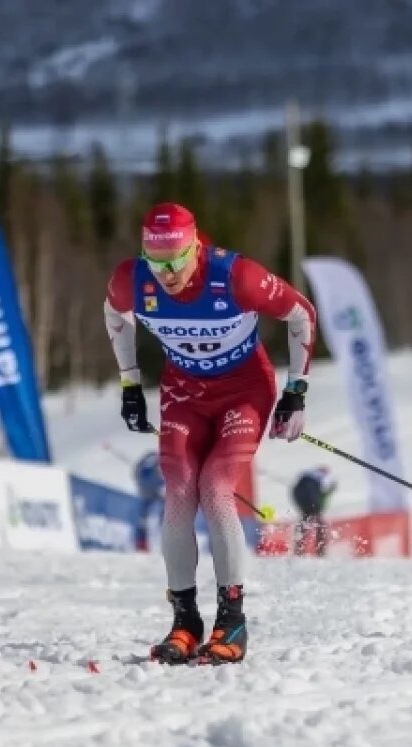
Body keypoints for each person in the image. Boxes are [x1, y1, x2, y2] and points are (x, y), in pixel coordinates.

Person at [104, 202, 317, 665]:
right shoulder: (132, 280)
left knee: (216, 487)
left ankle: (232, 621)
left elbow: (300, 313)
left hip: (244, 391)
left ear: (195, 247)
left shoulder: (234, 276)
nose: (167, 273)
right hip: (184, 391)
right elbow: (115, 316)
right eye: (156, 261)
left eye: (176, 260)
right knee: (179, 488)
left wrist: (296, 391)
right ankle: (185, 622)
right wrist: (130, 384)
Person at [290, 466, 338, 556]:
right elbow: (320, 497)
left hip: (305, 506)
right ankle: (320, 551)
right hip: (312, 507)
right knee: (320, 527)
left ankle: (299, 550)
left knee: (304, 526)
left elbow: (297, 493)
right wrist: (315, 505)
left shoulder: (305, 479)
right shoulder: (316, 479)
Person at [132, 451, 164, 551]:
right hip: (147, 495)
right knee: (143, 521)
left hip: (158, 495)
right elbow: (137, 473)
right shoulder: (149, 460)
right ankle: (141, 545)